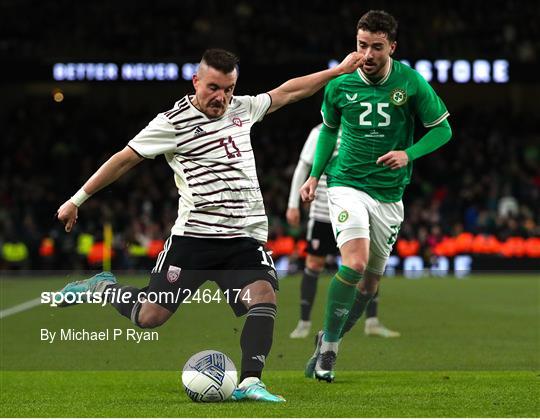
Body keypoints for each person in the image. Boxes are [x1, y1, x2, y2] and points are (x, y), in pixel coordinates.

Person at [55, 48, 363, 402]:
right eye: (214, 88)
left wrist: (337, 71)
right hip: (194, 241)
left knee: (263, 297)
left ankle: (250, 381)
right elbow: (123, 160)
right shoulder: (170, 123)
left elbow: (289, 91)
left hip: (244, 238)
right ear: (196, 82)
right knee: (149, 316)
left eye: (229, 88)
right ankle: (102, 287)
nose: (222, 97)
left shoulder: (242, 109)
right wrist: (76, 199)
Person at [300, 10, 452, 382]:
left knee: (369, 285)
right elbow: (327, 131)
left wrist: (408, 153)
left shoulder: (411, 83)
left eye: (376, 47)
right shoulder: (339, 83)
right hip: (346, 184)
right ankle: (329, 354)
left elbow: (443, 130)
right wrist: (315, 176)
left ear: (392, 47)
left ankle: (327, 338)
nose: (367, 54)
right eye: (361, 45)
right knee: (353, 263)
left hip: (388, 195)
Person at [287, 124, 400, 339]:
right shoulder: (320, 131)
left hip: (358, 208)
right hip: (323, 209)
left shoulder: (364, 126)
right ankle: (304, 322)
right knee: (314, 263)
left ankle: (372, 321)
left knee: (365, 264)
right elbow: (303, 167)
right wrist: (293, 204)